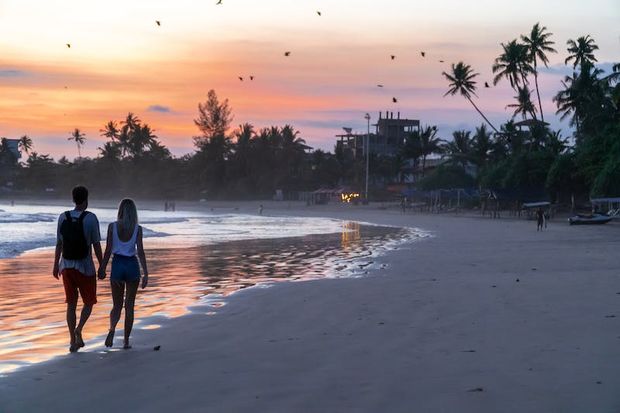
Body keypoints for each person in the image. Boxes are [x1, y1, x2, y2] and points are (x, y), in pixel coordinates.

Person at [53, 185, 102, 353]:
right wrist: (102, 266)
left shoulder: (63, 217)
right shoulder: (91, 218)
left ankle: (73, 342)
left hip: (65, 266)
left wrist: (55, 265)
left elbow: (59, 243)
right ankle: (79, 329)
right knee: (89, 302)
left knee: (71, 304)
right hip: (85, 268)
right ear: (86, 199)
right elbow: (96, 245)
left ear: (73, 199)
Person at [98, 199, 149, 349]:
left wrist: (102, 268)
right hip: (132, 265)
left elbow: (108, 250)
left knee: (117, 305)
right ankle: (126, 341)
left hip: (118, 265)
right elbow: (140, 251)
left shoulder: (112, 227)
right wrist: (145, 273)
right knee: (129, 306)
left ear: (120, 210)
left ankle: (112, 329)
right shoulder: (137, 228)